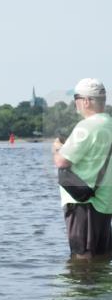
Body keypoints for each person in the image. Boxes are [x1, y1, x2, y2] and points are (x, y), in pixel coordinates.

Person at [53, 78, 112, 258]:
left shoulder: (86, 126)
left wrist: (56, 148)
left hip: (84, 203)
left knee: (82, 260)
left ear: (86, 101)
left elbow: (62, 162)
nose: (75, 104)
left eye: (76, 99)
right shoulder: (109, 123)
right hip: (105, 203)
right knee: (101, 259)